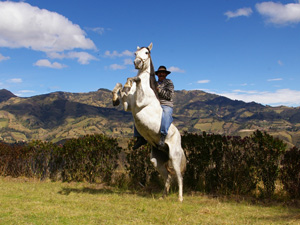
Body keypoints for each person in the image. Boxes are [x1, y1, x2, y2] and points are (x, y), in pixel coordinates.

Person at [133, 65, 174, 150]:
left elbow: (169, 96)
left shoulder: (169, 82)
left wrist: (159, 90)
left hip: (166, 105)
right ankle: (139, 137)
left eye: (163, 73)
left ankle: (163, 136)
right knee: (138, 113)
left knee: (166, 115)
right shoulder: (154, 83)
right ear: (157, 74)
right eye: (159, 73)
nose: (161, 74)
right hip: (155, 104)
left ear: (166, 74)